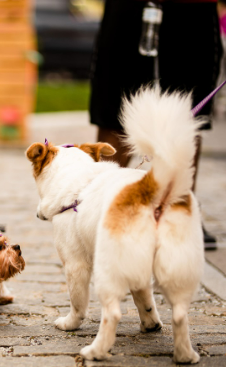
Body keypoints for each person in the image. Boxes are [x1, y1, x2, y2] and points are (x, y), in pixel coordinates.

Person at [90, 0, 222, 250]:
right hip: (129, 7)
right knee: (114, 106)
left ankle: (180, 212)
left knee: (188, 109)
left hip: (193, 7)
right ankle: (96, 209)